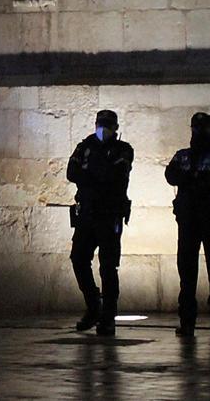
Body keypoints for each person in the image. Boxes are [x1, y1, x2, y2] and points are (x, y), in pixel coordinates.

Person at [67, 109, 133, 336]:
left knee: (108, 266)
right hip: (86, 214)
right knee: (78, 259)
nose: (102, 128)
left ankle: (108, 316)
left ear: (115, 127)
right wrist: (95, 175)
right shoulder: (85, 146)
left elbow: (115, 176)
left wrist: (90, 175)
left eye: (107, 124)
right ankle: (94, 305)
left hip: (109, 214)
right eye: (100, 123)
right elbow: (72, 171)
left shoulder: (122, 149)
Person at [165, 112, 210, 337]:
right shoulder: (182, 155)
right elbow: (170, 175)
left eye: (201, 129)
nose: (198, 133)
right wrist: (196, 178)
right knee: (187, 273)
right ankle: (188, 322)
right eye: (196, 128)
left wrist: (190, 178)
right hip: (189, 221)